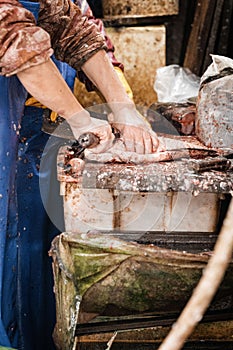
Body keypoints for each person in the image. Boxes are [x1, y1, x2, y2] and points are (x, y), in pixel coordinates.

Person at [0, 1, 159, 349]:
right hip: (5, 128)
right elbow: (17, 41)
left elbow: (72, 26)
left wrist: (123, 107)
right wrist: (81, 119)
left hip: (35, 132)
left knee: (36, 249)